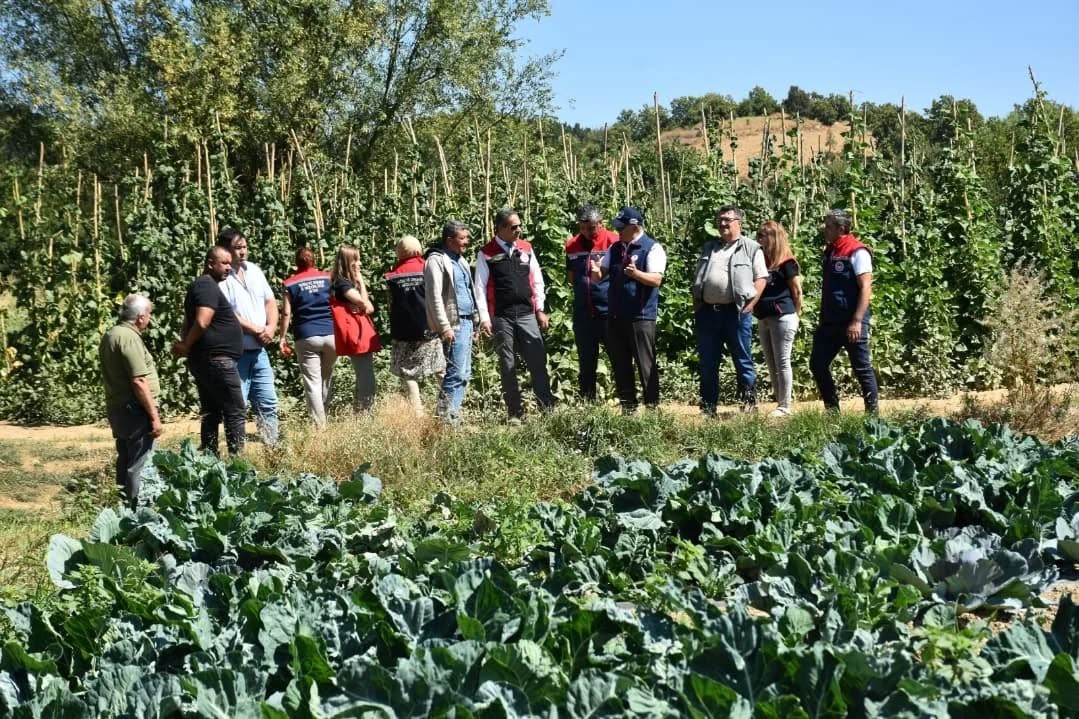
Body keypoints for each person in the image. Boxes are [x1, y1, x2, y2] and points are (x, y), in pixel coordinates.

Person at [475, 208, 555, 421]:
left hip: (527, 313)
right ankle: (515, 413)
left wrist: (540, 309)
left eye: (519, 225)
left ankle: (546, 409)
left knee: (537, 360)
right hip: (502, 316)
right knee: (507, 364)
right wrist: (484, 318)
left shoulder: (526, 249)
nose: (518, 230)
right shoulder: (486, 253)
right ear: (500, 228)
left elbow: (537, 280)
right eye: (513, 227)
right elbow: (479, 288)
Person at [690, 205, 768, 414]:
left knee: (743, 360)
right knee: (708, 362)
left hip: (736, 314)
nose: (722, 223)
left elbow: (761, 279)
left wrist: (750, 305)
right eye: (720, 219)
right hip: (708, 313)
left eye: (727, 220)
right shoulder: (710, 247)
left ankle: (749, 406)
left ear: (738, 223)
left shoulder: (751, 248)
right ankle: (708, 408)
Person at [590, 207, 666, 412]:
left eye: (622, 227)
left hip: (641, 317)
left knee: (645, 365)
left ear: (634, 226)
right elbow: (600, 274)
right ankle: (628, 408)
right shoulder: (614, 249)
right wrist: (596, 272)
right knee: (621, 365)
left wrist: (637, 274)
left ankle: (652, 409)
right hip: (616, 317)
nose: (618, 231)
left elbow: (657, 279)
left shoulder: (652, 248)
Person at [172, 246, 246, 456]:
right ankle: (237, 462)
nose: (229, 268)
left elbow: (189, 321)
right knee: (235, 410)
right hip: (217, 360)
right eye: (224, 263)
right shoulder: (206, 285)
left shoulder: (204, 286)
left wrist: (186, 342)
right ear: (210, 264)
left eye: (230, 264)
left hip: (209, 359)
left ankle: (210, 458)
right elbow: (202, 321)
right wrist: (186, 345)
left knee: (212, 412)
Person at [809, 208, 880, 413]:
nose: (825, 230)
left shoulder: (857, 251)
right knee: (818, 364)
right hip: (830, 322)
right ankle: (832, 411)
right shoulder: (832, 249)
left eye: (829, 226)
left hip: (852, 321)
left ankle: (872, 415)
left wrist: (857, 320)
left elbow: (866, 286)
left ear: (841, 228)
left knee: (861, 368)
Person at [216, 227, 279, 446]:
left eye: (245, 247)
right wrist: (256, 330)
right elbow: (227, 313)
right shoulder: (221, 278)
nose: (243, 252)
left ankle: (272, 447)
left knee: (268, 401)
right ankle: (237, 451)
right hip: (237, 352)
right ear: (225, 250)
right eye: (237, 248)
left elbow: (270, 302)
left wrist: (271, 328)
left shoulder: (254, 270)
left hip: (260, 351)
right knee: (237, 404)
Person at [99, 293, 162, 508]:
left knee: (125, 459)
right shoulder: (129, 338)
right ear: (141, 317)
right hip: (134, 409)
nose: (150, 320)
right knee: (140, 464)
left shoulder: (111, 334)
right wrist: (154, 417)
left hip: (118, 407)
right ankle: (138, 514)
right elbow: (138, 381)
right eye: (149, 315)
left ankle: (123, 510)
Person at [424, 220, 479, 425]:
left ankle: (452, 417)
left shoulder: (461, 260)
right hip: (453, 324)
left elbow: (468, 290)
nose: (467, 242)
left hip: (466, 322)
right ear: (449, 240)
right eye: (462, 238)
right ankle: (444, 421)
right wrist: (444, 326)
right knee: (455, 373)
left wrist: (475, 320)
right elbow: (434, 296)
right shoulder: (437, 260)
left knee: (464, 373)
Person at [385, 235, 445, 414]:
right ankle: (448, 408)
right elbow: (437, 298)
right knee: (440, 368)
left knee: (408, 373)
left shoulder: (391, 276)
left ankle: (417, 413)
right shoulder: (428, 269)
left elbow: (391, 305)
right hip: (430, 329)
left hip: (403, 332)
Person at [564, 204, 618, 401]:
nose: (587, 232)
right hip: (583, 313)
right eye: (583, 227)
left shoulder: (614, 241)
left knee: (618, 359)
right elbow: (571, 278)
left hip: (608, 312)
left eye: (592, 228)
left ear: (601, 224)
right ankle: (589, 405)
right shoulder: (571, 245)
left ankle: (627, 404)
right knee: (586, 363)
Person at [280, 247, 336, 427]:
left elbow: (287, 313)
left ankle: (320, 427)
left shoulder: (290, 283)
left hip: (306, 336)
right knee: (327, 378)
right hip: (330, 334)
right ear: (314, 260)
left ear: (297, 262)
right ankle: (325, 414)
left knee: (312, 382)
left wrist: (282, 337)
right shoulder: (328, 277)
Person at [753, 221, 803, 417]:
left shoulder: (786, 262)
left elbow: (797, 291)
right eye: (759, 234)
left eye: (763, 235)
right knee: (771, 362)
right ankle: (780, 402)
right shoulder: (762, 261)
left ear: (774, 238)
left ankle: (785, 406)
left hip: (783, 317)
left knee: (782, 361)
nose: (759, 239)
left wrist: (796, 315)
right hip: (764, 318)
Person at [331, 245, 381, 411]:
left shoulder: (349, 283)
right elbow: (363, 303)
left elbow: (370, 308)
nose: (360, 263)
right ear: (348, 262)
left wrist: (362, 296)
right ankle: (365, 414)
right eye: (357, 260)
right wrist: (360, 282)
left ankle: (360, 412)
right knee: (367, 379)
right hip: (356, 335)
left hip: (360, 334)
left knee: (363, 376)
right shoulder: (342, 284)